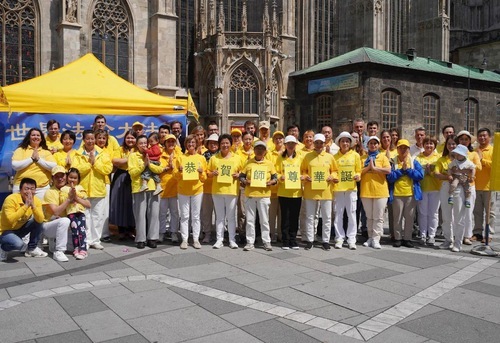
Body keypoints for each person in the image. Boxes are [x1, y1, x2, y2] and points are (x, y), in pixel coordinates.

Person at [72, 129, 113, 250]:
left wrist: (95, 163)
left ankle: (96, 240)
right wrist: (89, 164)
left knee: (97, 216)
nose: (90, 141)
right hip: (83, 190)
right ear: (84, 140)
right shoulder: (78, 153)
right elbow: (75, 170)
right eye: (88, 139)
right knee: (85, 216)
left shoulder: (102, 153)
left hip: (98, 189)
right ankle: (87, 240)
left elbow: (107, 169)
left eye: (92, 138)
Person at [301, 133, 338, 251]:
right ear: (313, 143)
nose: (318, 145)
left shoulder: (329, 157)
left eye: (320, 143)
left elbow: (335, 171)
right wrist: (306, 177)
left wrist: (332, 176)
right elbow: (303, 170)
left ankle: (325, 240)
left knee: (327, 216)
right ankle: (310, 240)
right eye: (316, 142)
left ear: (324, 143)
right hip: (310, 190)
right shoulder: (307, 157)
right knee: (310, 216)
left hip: (325, 190)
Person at [239, 140, 277, 251]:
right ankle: (250, 242)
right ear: (254, 150)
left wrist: (270, 182)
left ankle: (266, 241)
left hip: (264, 195)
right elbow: (241, 176)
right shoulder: (249, 163)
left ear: (265, 151)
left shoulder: (269, 164)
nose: (259, 151)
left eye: (262, 149)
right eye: (257, 148)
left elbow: (275, 178)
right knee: (250, 220)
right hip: (250, 194)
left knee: (264, 220)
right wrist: (246, 181)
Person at [207, 134, 243, 249]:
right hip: (217, 191)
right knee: (219, 216)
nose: (225, 145)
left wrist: (239, 175)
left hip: (232, 190)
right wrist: (212, 174)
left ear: (231, 144)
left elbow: (243, 172)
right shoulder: (214, 158)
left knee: (231, 216)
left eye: (227, 143)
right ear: (219, 145)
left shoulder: (237, 158)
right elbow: (208, 173)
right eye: (222, 143)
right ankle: (219, 239)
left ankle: (232, 239)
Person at [128, 135, 164, 249]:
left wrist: (149, 164)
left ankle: (152, 238)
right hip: (139, 187)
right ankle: (140, 239)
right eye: (141, 143)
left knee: (154, 214)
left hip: (153, 187)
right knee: (140, 215)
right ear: (137, 144)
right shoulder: (133, 156)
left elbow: (160, 169)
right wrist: (143, 165)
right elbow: (132, 173)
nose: (143, 145)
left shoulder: (153, 154)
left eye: (145, 143)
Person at [0, 178, 48, 261]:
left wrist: (33, 206)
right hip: (4, 231)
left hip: (19, 229)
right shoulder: (11, 199)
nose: (29, 192)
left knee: (38, 222)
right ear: (20, 190)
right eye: (26, 189)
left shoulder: (36, 200)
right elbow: (11, 220)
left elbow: (40, 220)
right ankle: (3, 248)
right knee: (18, 245)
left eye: (32, 189)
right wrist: (25, 206)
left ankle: (32, 249)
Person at [387, 139, 424, 248]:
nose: (403, 150)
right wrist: (401, 171)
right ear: (397, 149)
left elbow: (420, 175)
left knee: (409, 218)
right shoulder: (392, 161)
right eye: (401, 148)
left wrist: (408, 170)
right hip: (397, 194)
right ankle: (398, 238)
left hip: (410, 194)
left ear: (408, 149)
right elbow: (389, 177)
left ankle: (407, 238)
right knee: (397, 218)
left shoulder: (413, 161)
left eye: (405, 148)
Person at [175, 134, 207, 249]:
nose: (191, 145)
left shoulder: (201, 158)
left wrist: (201, 172)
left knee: (196, 216)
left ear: (196, 144)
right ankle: (184, 239)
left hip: (197, 190)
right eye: (189, 143)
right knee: (184, 216)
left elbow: (204, 178)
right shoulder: (180, 158)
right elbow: (175, 176)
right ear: (185, 145)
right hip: (183, 190)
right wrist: (179, 171)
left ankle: (195, 239)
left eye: (193, 142)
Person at [360, 136, 391, 249]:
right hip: (366, 190)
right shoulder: (363, 157)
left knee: (378, 217)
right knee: (369, 217)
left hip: (380, 191)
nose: (373, 145)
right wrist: (368, 168)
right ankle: (370, 237)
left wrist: (375, 169)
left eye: (375, 143)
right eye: (371, 143)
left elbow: (388, 170)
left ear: (378, 145)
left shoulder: (382, 157)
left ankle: (376, 238)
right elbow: (358, 172)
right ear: (367, 145)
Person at [333, 132, 361, 250]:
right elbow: (333, 171)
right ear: (339, 143)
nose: (345, 143)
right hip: (338, 189)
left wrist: (357, 176)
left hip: (351, 189)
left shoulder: (355, 156)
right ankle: (339, 238)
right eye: (343, 141)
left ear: (350, 143)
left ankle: (351, 239)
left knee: (351, 213)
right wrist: (334, 176)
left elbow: (358, 171)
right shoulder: (334, 157)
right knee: (338, 214)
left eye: (347, 141)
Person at [11, 128, 57, 198]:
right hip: (21, 187)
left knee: (39, 209)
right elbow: (15, 165)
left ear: (41, 139)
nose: (36, 137)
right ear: (29, 137)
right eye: (33, 135)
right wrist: (31, 159)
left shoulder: (46, 152)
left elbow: (53, 167)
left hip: (41, 189)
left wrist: (38, 160)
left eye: (38, 135)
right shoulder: (21, 150)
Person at [276, 135, 303, 250]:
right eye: (289, 144)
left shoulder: (301, 158)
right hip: (284, 192)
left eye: (293, 144)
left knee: (294, 217)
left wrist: (303, 176)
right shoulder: (280, 158)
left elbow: (305, 171)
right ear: (285, 145)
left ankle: (293, 239)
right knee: (285, 217)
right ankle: (285, 240)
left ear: (296, 145)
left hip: (296, 192)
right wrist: (279, 177)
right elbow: (275, 172)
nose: (291, 146)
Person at [455, 130, 481, 245]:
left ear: (469, 141)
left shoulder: (473, 154)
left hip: (469, 186)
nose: (464, 141)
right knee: (458, 211)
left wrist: (466, 169)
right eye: (461, 139)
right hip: (457, 186)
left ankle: (467, 235)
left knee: (468, 211)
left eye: (466, 139)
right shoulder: (455, 153)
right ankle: (458, 234)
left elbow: (478, 168)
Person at [110, 130, 136, 240]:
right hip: (121, 176)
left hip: (134, 177)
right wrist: (129, 159)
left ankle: (131, 229)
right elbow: (115, 161)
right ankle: (121, 229)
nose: (130, 140)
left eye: (133, 138)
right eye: (128, 138)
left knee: (132, 203)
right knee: (119, 203)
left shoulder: (138, 148)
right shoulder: (120, 149)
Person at [42, 166, 72, 262]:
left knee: (75, 247)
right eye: (56, 176)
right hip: (49, 225)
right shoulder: (50, 192)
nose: (60, 179)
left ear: (66, 176)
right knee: (64, 221)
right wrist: (69, 200)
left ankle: (54, 243)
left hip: (67, 225)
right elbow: (56, 212)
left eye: (62, 176)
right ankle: (59, 251)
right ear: (52, 179)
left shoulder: (70, 189)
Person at [61, 168, 91, 260]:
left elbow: (88, 203)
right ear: (67, 178)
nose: (72, 180)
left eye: (75, 178)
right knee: (75, 231)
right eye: (70, 177)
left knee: (82, 230)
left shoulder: (81, 188)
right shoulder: (63, 189)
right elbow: (62, 200)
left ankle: (83, 249)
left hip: (80, 212)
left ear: (78, 179)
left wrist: (76, 197)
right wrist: (70, 196)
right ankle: (76, 248)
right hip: (71, 213)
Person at [415, 136, 440, 245]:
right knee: (422, 212)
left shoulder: (438, 157)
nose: (429, 146)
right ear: (423, 145)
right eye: (427, 143)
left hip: (436, 188)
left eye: (431, 144)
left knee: (433, 213)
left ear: (435, 145)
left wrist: (431, 171)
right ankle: (423, 234)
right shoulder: (418, 157)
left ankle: (432, 235)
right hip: (422, 188)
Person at [434, 136, 457, 249]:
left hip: (459, 188)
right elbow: (436, 174)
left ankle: (457, 240)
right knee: (446, 215)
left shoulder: (462, 158)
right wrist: (447, 177)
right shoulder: (442, 160)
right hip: (445, 186)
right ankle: (448, 239)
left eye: (453, 144)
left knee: (457, 215)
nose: (451, 146)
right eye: (449, 144)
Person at [473, 128, 495, 242]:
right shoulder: (475, 151)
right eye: (480, 136)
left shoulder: (494, 150)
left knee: (490, 212)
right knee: (477, 212)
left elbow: (496, 166)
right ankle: (477, 232)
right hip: (476, 186)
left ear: (489, 137)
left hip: (489, 186)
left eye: (484, 136)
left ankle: (489, 234)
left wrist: (482, 161)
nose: (482, 138)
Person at [159, 134, 180, 244]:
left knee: (175, 212)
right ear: (165, 143)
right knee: (162, 213)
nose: (171, 143)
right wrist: (167, 168)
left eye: (173, 141)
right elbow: (157, 169)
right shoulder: (160, 155)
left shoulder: (179, 155)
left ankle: (174, 232)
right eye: (168, 142)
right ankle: (161, 232)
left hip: (176, 188)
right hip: (163, 187)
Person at [266, 130, 285, 242]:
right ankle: (272, 234)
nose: (278, 140)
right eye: (276, 138)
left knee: (282, 214)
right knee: (272, 214)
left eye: (280, 138)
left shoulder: (286, 153)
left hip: (283, 189)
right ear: (273, 141)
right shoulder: (269, 154)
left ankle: (281, 234)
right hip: (272, 190)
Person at [94, 129, 112, 242]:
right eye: (99, 138)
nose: (101, 140)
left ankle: (104, 233)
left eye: (104, 138)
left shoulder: (107, 152)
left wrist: (95, 164)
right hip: (93, 182)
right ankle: (93, 234)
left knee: (105, 209)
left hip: (105, 182)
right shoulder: (91, 150)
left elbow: (107, 169)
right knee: (94, 210)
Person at [201, 133, 219, 243]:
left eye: (215, 143)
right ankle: (207, 233)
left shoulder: (222, 155)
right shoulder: (203, 156)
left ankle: (218, 234)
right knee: (206, 213)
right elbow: (202, 170)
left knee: (219, 213)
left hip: (219, 189)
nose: (213, 145)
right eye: (211, 143)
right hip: (206, 188)